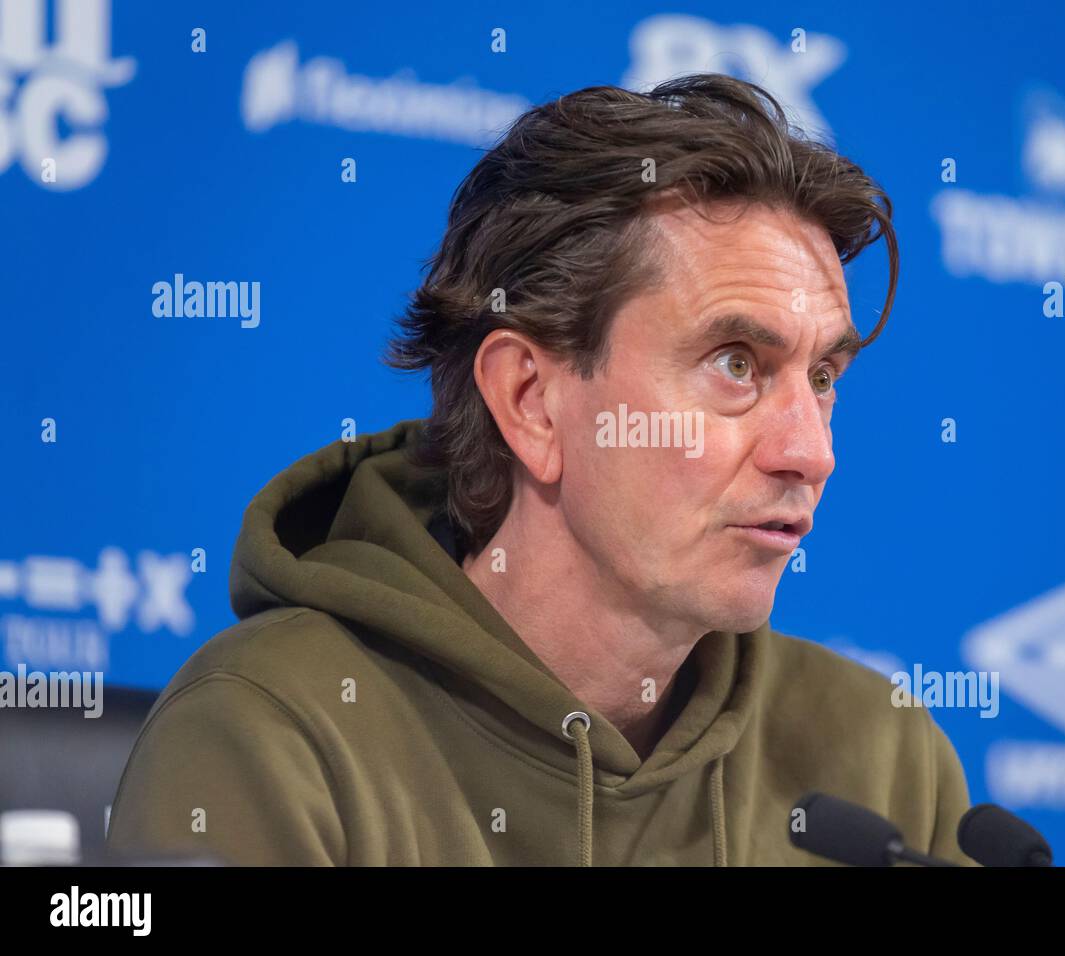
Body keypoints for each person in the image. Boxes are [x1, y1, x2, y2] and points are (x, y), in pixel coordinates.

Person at [106, 72, 978, 866]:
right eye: (737, 364)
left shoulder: (883, 763)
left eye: (823, 377)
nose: (811, 451)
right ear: (530, 401)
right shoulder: (274, 733)